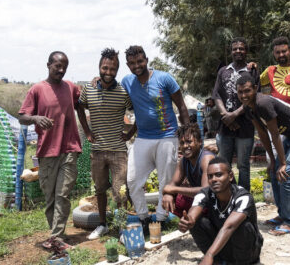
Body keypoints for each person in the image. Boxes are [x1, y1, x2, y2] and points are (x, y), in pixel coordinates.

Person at [236, 73, 290, 235]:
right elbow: (262, 134)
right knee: (275, 172)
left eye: (247, 91)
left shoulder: (263, 103)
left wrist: (283, 163)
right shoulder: (248, 108)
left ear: (255, 88)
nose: (244, 95)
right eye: (240, 92)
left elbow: (274, 134)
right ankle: (283, 215)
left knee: (285, 175)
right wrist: (273, 162)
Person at [19, 51, 82, 251]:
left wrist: (96, 82)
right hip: (47, 151)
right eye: (57, 66)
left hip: (69, 148)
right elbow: (22, 116)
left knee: (63, 194)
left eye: (64, 67)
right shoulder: (37, 90)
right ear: (48, 65)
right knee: (51, 197)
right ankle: (56, 234)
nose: (61, 70)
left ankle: (56, 237)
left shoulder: (70, 87)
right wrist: (35, 118)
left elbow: (84, 99)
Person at [121, 45, 190, 226]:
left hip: (167, 136)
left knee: (165, 180)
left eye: (140, 61)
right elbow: (115, 92)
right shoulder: (127, 82)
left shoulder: (164, 78)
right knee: (133, 179)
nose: (137, 65)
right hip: (143, 137)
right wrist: (98, 79)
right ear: (128, 65)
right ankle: (143, 217)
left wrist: (187, 134)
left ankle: (161, 218)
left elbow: (182, 106)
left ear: (146, 60)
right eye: (132, 63)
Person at [77, 48, 136, 240]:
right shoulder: (89, 88)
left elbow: (138, 111)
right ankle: (102, 224)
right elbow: (79, 107)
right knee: (100, 189)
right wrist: (87, 131)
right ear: (99, 67)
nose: (108, 72)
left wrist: (130, 133)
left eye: (112, 69)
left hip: (118, 151)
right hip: (97, 150)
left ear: (117, 70)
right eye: (105, 68)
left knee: (120, 192)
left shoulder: (123, 92)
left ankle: (122, 228)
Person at [178, 156, 263, 265]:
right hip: (223, 247)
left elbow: (229, 227)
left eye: (218, 175)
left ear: (230, 176)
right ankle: (217, 261)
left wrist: (209, 254)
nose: (214, 179)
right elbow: (194, 211)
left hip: (248, 251)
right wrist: (189, 221)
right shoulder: (205, 193)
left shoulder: (243, 196)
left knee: (242, 225)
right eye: (210, 176)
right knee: (197, 222)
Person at [212, 37, 258, 190]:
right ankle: (227, 195)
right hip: (224, 127)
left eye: (241, 48)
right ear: (231, 52)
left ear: (246, 51)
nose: (238, 51)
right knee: (224, 164)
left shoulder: (252, 71)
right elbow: (216, 95)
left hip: (245, 127)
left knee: (243, 165)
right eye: (235, 49)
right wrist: (226, 115)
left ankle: (243, 196)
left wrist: (234, 115)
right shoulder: (223, 71)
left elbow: (253, 97)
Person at [162, 124, 215, 217]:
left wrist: (173, 189)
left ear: (200, 142)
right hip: (202, 199)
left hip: (217, 201)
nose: (185, 146)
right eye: (182, 143)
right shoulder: (183, 161)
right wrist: (168, 195)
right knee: (173, 200)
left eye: (189, 142)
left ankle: (202, 221)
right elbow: (172, 184)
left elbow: (206, 191)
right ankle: (191, 220)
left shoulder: (206, 159)